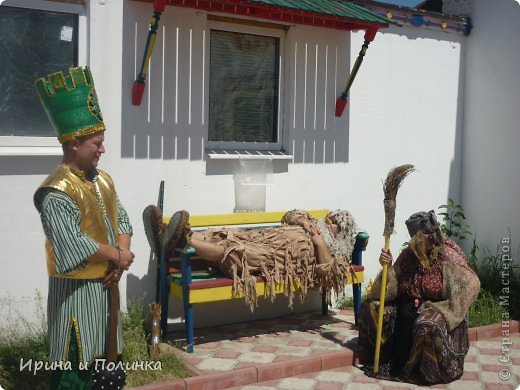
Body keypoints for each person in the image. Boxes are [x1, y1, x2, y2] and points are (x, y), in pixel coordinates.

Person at [33, 66, 134, 389]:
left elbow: (123, 218)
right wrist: (117, 256)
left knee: (106, 367)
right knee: (74, 367)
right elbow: (73, 245)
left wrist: (122, 256)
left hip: (107, 287)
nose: (102, 149)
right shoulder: (55, 191)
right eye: (96, 143)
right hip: (74, 295)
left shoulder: (101, 179)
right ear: (74, 143)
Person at [358, 210, 480, 384]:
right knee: (373, 307)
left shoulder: (447, 255)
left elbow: (472, 283)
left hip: (438, 306)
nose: (430, 239)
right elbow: (393, 286)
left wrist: (444, 307)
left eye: (431, 235)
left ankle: (425, 370)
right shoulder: (410, 254)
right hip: (407, 305)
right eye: (424, 237)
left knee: (427, 323)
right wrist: (388, 267)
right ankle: (384, 359)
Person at [159, 209, 358, 310]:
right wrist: (305, 222)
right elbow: (289, 215)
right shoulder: (313, 224)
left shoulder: (338, 254)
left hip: (271, 258)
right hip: (265, 237)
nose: (327, 222)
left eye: (333, 223)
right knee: (225, 235)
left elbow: (330, 274)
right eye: (329, 218)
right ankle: (167, 231)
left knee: (233, 251)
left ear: (341, 233)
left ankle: (181, 237)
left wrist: (320, 243)